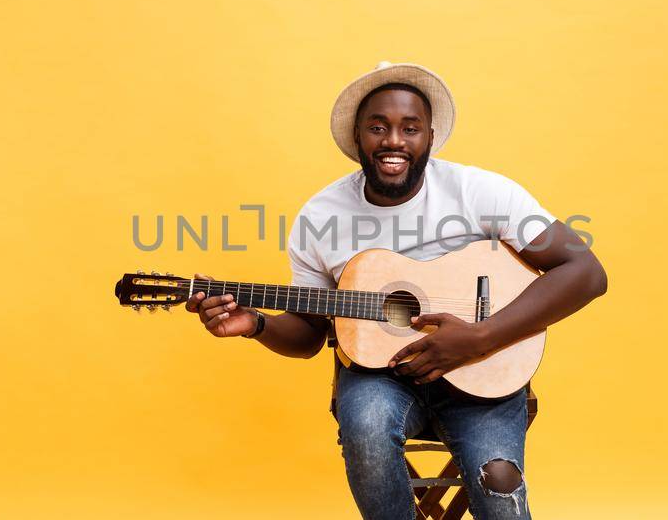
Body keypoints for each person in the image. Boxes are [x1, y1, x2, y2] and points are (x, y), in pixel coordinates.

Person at [184, 62, 607, 519]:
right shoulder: (321, 216)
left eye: (410, 128)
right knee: (365, 431)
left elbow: (585, 272)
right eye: (378, 127)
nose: (393, 141)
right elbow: (308, 335)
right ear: (358, 136)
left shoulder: (479, 192)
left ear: (430, 135)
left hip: (484, 370)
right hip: (378, 377)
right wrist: (258, 324)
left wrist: (481, 337)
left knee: (498, 483)